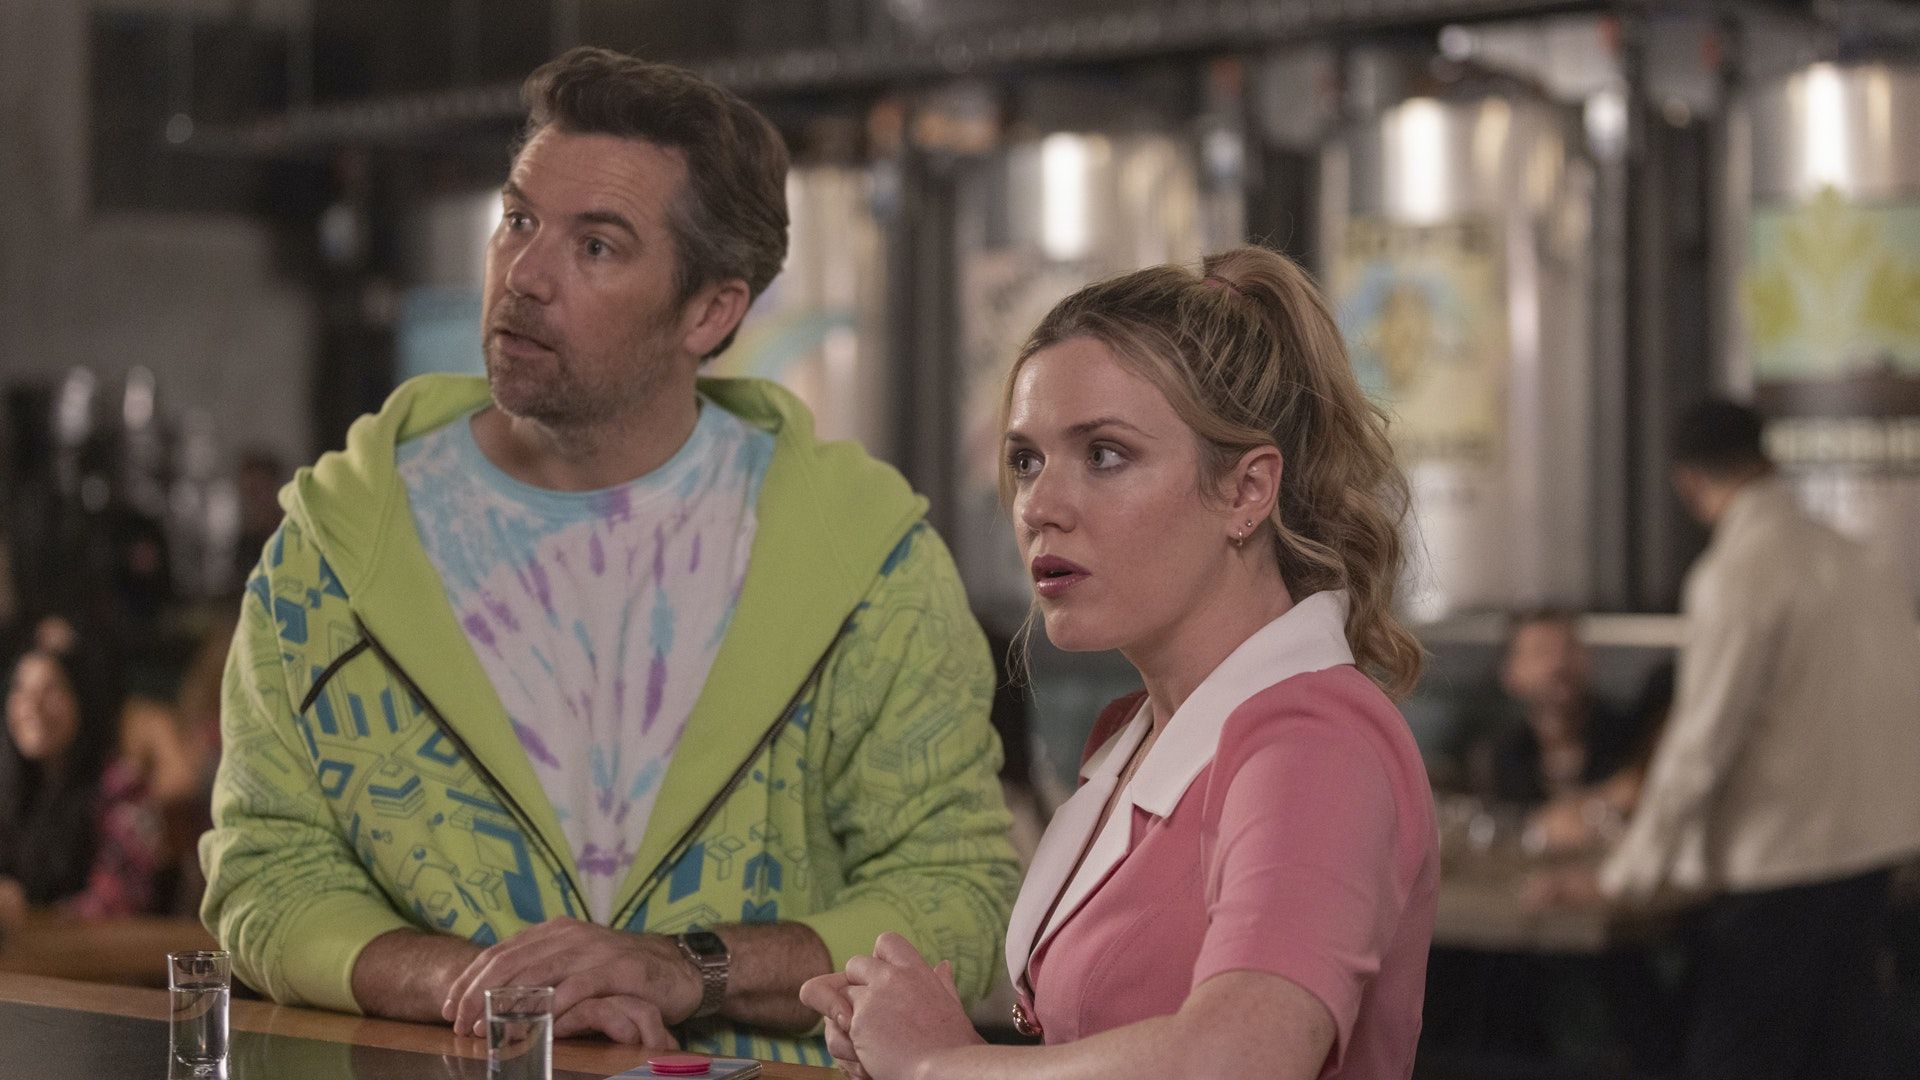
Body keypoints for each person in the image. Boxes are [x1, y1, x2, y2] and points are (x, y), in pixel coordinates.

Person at [199, 47, 1018, 1064]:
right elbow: (266, 873)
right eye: (519, 220)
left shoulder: (865, 564)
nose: (525, 274)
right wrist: (477, 986)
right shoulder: (335, 547)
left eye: (596, 246)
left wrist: (688, 967)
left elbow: (957, 896)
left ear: (711, 311)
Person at [802, 247, 1439, 1080]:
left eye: (1104, 454)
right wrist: (929, 1045)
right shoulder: (1133, 736)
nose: (1039, 505)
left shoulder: (1312, 739)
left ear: (1247, 491)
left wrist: (938, 1064)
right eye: (1026, 460)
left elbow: (1245, 1056)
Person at [1590, 399, 1920, 1080]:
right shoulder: (1863, 561)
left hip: (1777, 872)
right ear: (1767, 458)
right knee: (1846, 1059)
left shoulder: (1739, 574)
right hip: (1872, 862)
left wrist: (1628, 874)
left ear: (1687, 482)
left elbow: (1700, 744)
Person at [0, 626, 172, 919]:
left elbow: (120, 902)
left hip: (96, 947)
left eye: (51, 690)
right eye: (21, 689)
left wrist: (24, 915)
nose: (33, 705)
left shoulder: (122, 789)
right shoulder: (8, 790)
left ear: (82, 701)